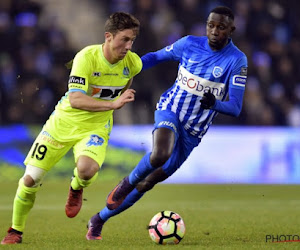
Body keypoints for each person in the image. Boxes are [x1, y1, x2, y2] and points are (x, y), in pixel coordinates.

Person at [86, 6, 248, 240]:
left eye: (221, 27)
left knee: (147, 184)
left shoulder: (236, 60)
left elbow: (235, 107)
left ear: (231, 30)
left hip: (193, 132)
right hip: (170, 110)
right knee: (160, 153)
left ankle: (98, 219)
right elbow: (155, 57)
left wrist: (214, 103)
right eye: (210, 25)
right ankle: (125, 184)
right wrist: (127, 70)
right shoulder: (189, 44)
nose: (214, 31)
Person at [1, 12, 142, 245]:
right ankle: (16, 230)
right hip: (63, 123)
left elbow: (126, 82)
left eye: (132, 40)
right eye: (124, 39)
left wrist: (113, 103)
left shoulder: (132, 63)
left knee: (87, 170)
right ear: (108, 36)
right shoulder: (86, 58)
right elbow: (76, 99)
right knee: (29, 179)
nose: (128, 46)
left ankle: (76, 187)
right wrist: (113, 104)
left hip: (96, 126)